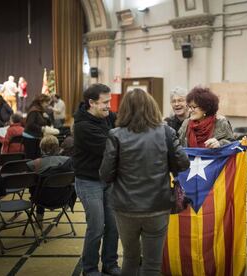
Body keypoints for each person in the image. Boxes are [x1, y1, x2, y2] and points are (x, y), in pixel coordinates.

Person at [100, 88, 190, 276]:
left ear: (124, 109)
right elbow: (183, 163)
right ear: (152, 107)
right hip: (157, 206)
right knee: (152, 264)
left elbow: (106, 175)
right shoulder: (166, 132)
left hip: (125, 207)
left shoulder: (115, 134)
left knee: (130, 259)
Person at [73, 83, 120, 276]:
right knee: (96, 226)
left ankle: (110, 264)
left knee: (113, 225)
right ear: (91, 103)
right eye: (105, 102)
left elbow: (128, 122)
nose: (109, 106)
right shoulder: (83, 126)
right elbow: (111, 148)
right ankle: (90, 269)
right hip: (88, 181)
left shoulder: (107, 116)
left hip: (107, 180)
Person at [26, 135, 75, 223]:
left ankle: (39, 218)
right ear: (57, 146)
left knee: (38, 186)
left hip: (42, 199)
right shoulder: (69, 161)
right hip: (64, 198)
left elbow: (28, 185)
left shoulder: (32, 164)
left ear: (41, 148)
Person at [23, 94, 58, 160]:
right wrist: (41, 129)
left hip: (36, 137)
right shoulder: (34, 111)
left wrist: (47, 118)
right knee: (31, 158)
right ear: (41, 102)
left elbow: (46, 123)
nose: (48, 104)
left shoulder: (40, 111)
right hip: (30, 138)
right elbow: (30, 124)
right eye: (46, 102)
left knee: (37, 158)